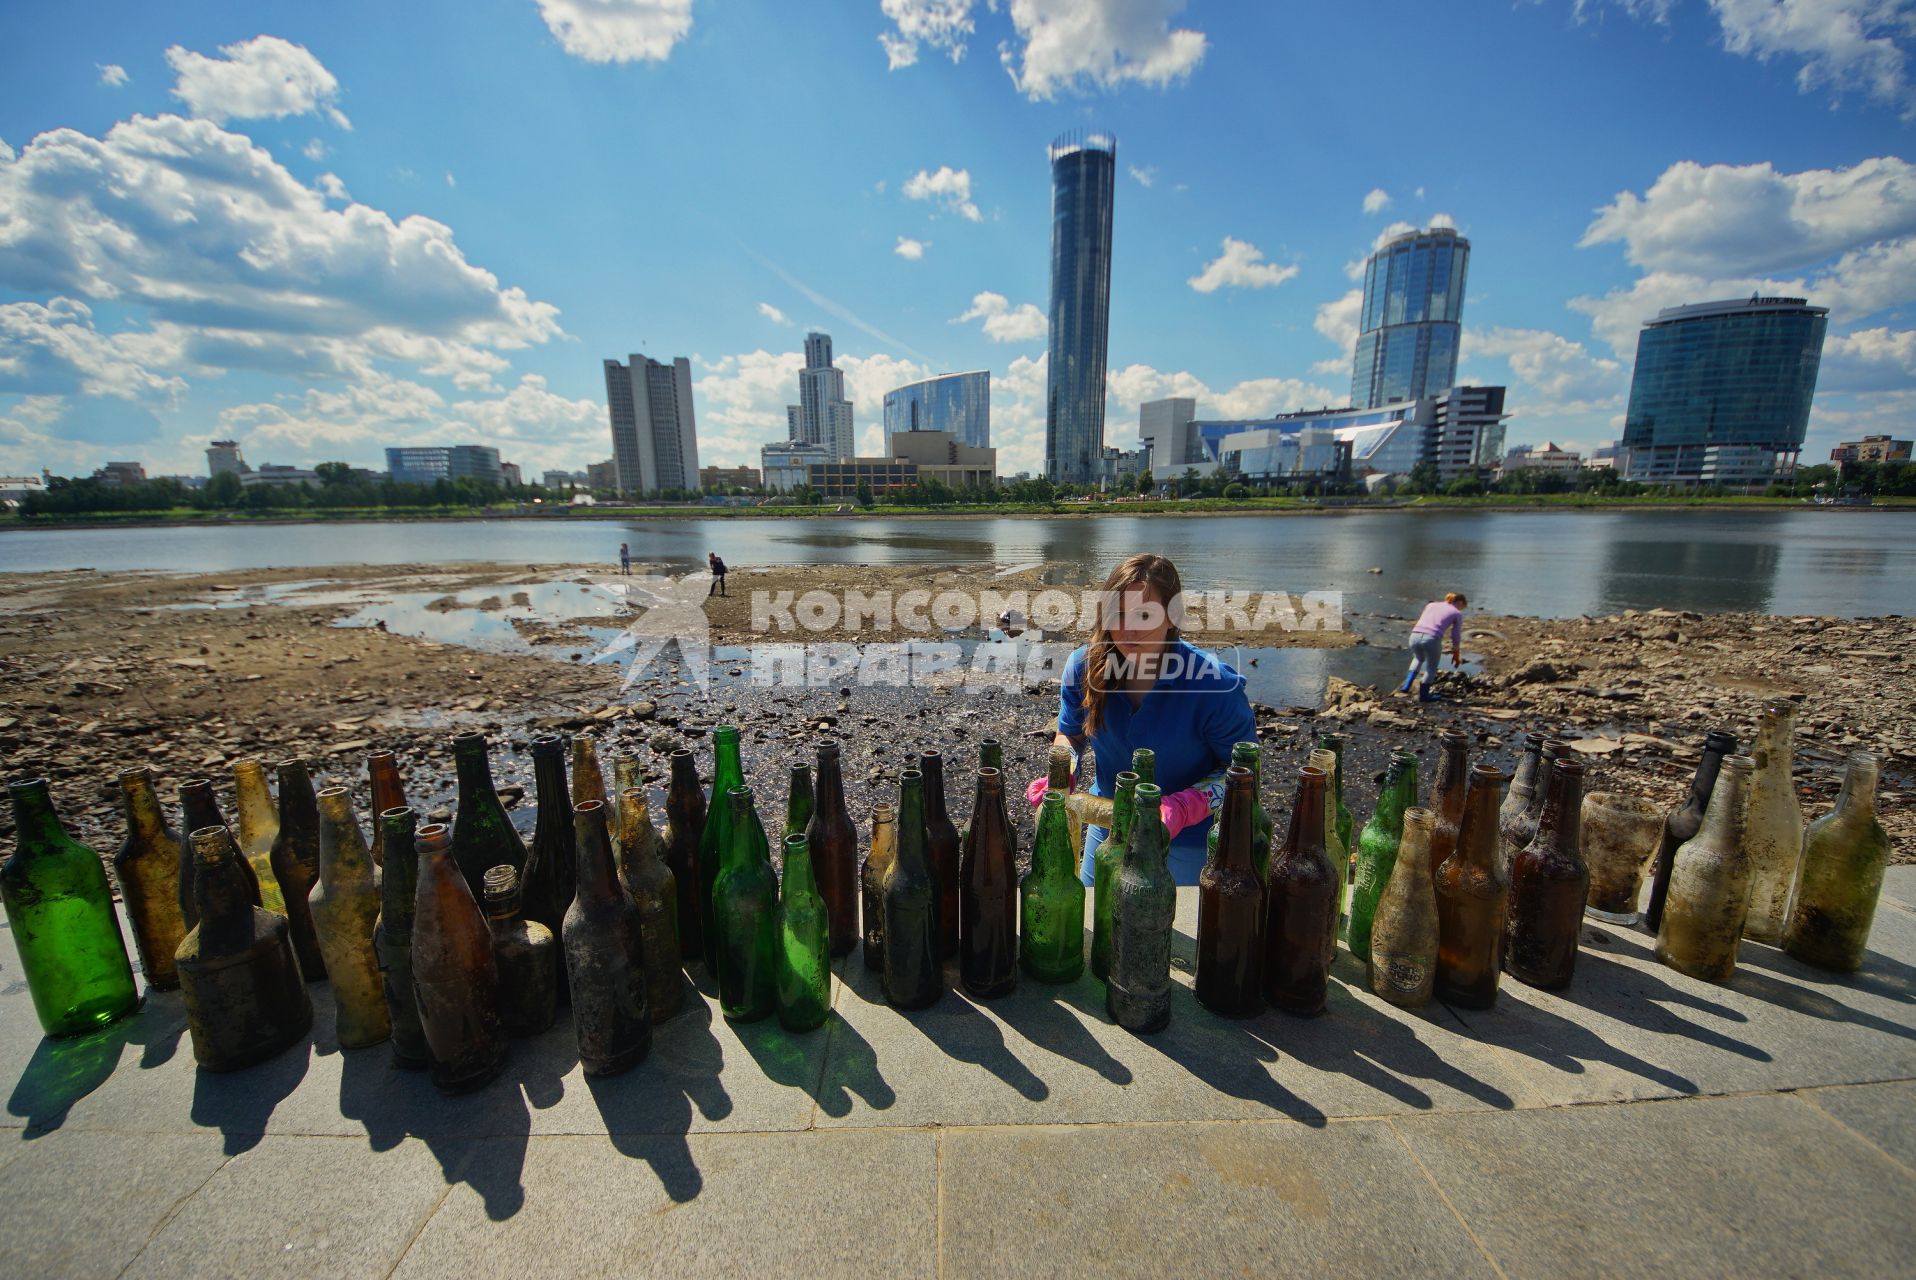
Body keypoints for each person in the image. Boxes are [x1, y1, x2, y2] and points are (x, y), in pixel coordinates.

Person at [1032, 553, 1256, 887]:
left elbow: (1245, 772)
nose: (1128, 629)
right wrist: (1063, 768)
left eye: (1145, 614)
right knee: (1098, 919)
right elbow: (1070, 734)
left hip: (1188, 841)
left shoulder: (1213, 686)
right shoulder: (1083, 668)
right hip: (1108, 823)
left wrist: (1187, 806)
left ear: (1173, 616)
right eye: (1118, 614)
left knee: (1170, 932)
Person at [1399, 591, 1467, 702]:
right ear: (1460, 602)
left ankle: (1406, 686)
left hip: (1414, 635)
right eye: (1462, 606)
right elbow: (1455, 634)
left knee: (1418, 658)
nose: (1461, 609)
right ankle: (1424, 696)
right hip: (1431, 639)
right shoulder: (1456, 613)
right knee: (1431, 667)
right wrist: (1456, 652)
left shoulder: (1431, 605)